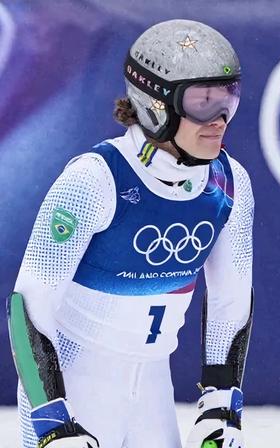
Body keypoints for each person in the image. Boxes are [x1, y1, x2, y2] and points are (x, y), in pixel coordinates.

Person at [8, 19, 254, 448]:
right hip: (72, 389)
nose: (219, 120)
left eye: (227, 100)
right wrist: (52, 421)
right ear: (155, 104)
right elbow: (26, 306)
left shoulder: (229, 182)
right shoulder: (94, 179)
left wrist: (221, 401)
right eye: (202, 102)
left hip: (153, 395)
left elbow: (231, 300)